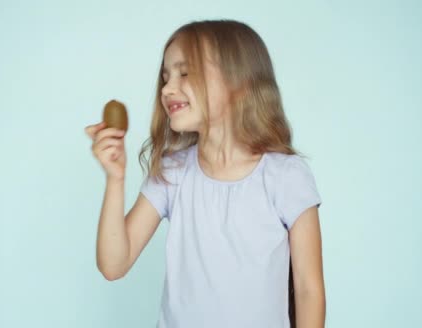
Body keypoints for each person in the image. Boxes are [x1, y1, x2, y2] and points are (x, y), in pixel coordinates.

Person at [85, 19, 325, 328]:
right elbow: (113, 264)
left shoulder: (286, 176)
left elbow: (309, 291)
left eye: (185, 73)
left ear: (238, 83)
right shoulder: (173, 172)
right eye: (166, 77)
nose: (168, 89)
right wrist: (115, 179)